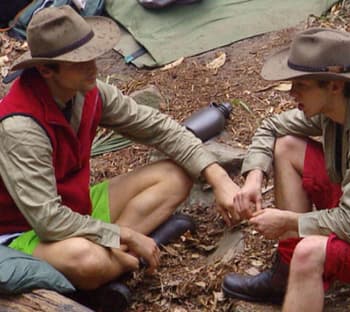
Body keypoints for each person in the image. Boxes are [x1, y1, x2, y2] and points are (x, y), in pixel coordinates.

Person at [0, 4, 240, 304]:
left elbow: (157, 127)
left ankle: (113, 269)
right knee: (86, 260)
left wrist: (217, 176)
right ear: (47, 69)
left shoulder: (87, 91)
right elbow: (48, 220)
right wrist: (124, 236)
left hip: (75, 208)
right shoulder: (21, 126)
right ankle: (115, 266)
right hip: (23, 231)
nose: (93, 66)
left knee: (176, 175)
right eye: (78, 61)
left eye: (91, 54)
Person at [221, 27, 350, 311]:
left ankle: (300, 264)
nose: (291, 93)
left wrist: (290, 222)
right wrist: (254, 177)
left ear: (334, 85)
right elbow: (271, 127)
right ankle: (286, 276)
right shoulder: (337, 106)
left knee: (308, 252)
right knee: (287, 146)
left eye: (301, 85)